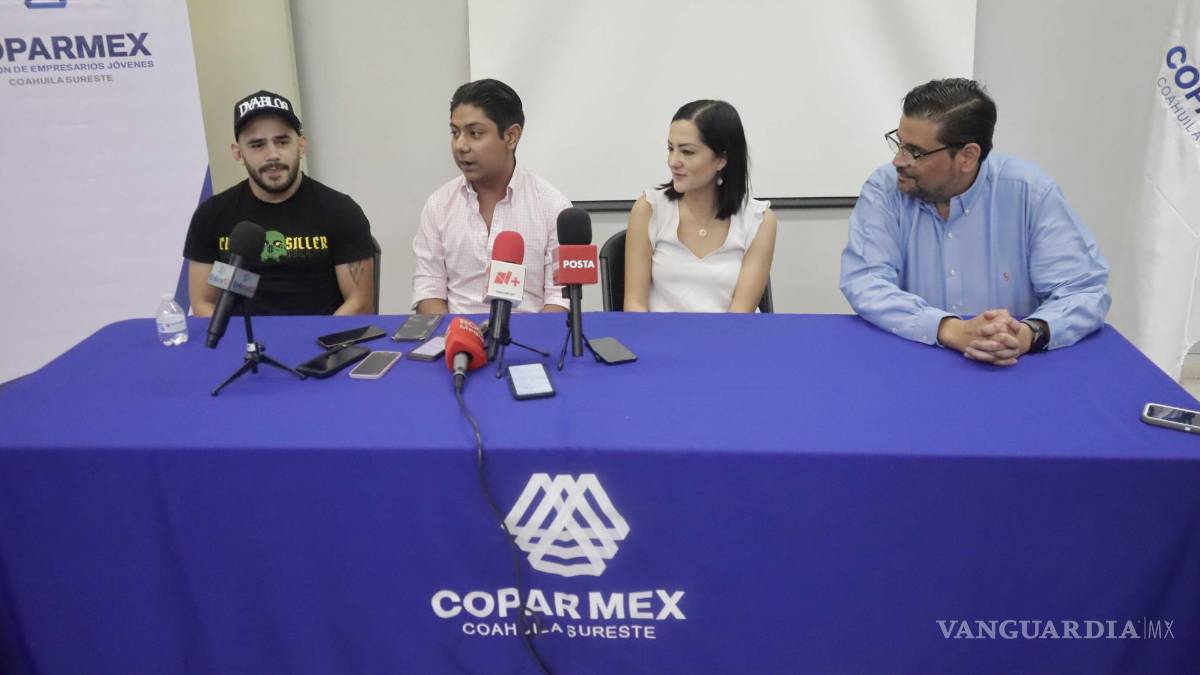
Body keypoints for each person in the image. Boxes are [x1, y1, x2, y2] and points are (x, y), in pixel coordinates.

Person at [839, 78, 1110, 365]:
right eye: (899, 143)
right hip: (914, 361)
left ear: (968, 156)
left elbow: (1083, 291)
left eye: (915, 152)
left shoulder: (1030, 192)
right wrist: (948, 329)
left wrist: (1028, 334)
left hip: (1013, 366)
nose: (898, 161)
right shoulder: (884, 189)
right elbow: (865, 281)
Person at [183, 90, 376, 316]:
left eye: (282, 141)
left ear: (301, 145)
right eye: (257, 145)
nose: (272, 154)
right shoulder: (212, 215)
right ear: (238, 153)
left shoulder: (341, 211)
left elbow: (360, 303)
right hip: (240, 336)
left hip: (322, 337)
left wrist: (318, 338)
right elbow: (203, 303)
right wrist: (235, 337)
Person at [412, 79, 569, 314]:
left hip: (530, 333)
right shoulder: (439, 205)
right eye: (455, 133)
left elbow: (559, 299)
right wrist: (455, 333)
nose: (461, 145)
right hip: (454, 332)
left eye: (475, 133)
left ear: (511, 136)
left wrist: (534, 335)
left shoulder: (552, 206)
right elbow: (428, 291)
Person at [623, 100, 777, 312]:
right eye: (670, 149)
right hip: (661, 333)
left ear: (721, 159)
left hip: (729, 332)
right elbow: (634, 305)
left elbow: (741, 315)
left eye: (687, 152)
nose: (673, 161)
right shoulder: (649, 209)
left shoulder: (759, 221)